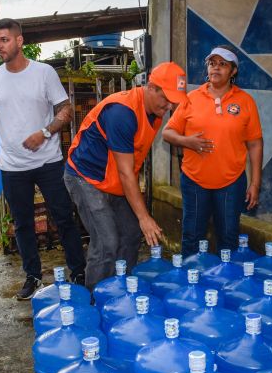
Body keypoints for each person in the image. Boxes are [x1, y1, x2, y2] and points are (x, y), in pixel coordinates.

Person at [0, 18, 87, 299]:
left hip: (48, 162)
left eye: (4, 40)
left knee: (64, 217)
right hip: (11, 166)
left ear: (19, 41)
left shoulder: (44, 73)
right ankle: (33, 276)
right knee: (23, 224)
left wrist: (45, 131)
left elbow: (65, 109)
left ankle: (78, 271)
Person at [63, 62, 188, 290]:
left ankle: (121, 288)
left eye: (174, 101)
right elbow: (126, 171)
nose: (170, 106)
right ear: (151, 87)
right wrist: (144, 216)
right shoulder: (122, 112)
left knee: (131, 233)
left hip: (114, 179)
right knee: (106, 241)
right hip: (86, 178)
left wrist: (140, 218)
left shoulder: (155, 112)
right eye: (166, 98)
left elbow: (131, 164)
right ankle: (96, 298)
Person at [162, 45, 263, 255]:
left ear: (233, 71)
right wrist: (187, 141)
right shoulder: (191, 99)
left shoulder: (246, 102)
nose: (216, 68)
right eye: (212, 63)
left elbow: (255, 143)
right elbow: (167, 132)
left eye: (223, 64)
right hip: (194, 181)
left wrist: (255, 183)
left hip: (231, 182)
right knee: (192, 236)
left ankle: (224, 284)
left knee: (228, 237)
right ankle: (191, 284)